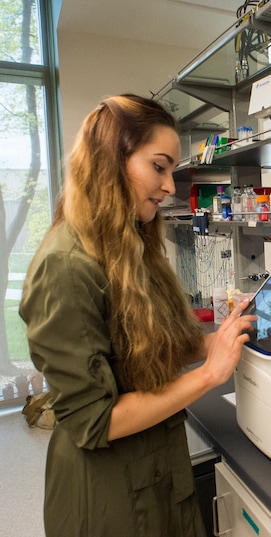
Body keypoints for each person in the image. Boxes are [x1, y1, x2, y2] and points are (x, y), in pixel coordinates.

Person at [19, 94, 257, 537]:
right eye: (159, 166)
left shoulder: (129, 247)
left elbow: (141, 349)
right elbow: (96, 420)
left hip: (155, 472)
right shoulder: (68, 266)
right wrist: (208, 375)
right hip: (107, 496)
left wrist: (212, 342)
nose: (170, 185)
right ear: (112, 161)